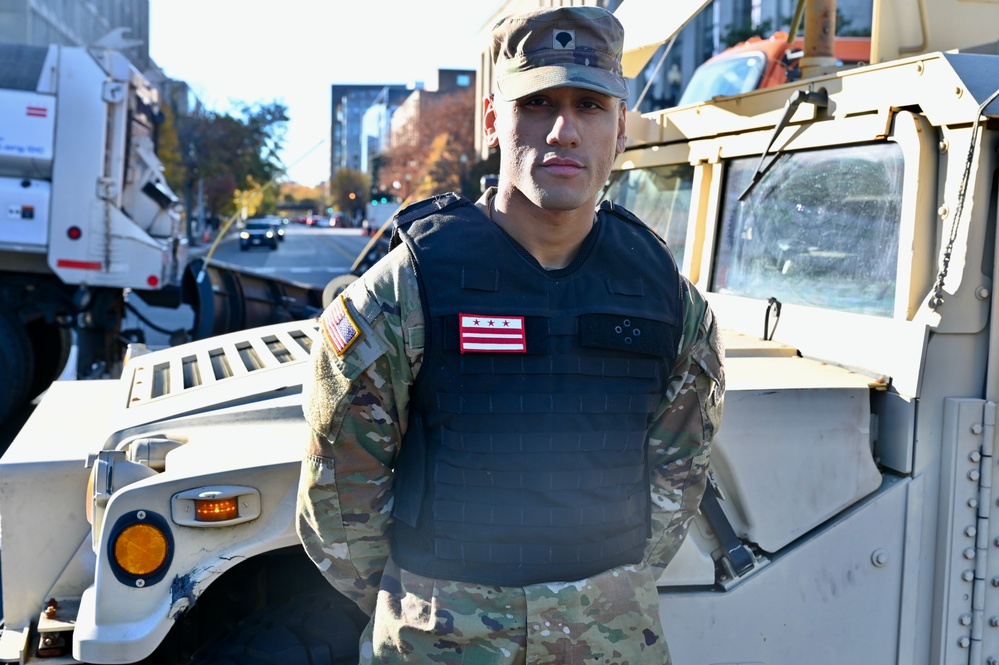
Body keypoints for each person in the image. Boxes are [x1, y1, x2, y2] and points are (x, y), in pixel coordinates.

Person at [297, 6, 725, 664]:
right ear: (493, 120)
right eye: (536, 104)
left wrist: (592, 598)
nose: (563, 131)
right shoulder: (402, 291)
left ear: (619, 127)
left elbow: (679, 476)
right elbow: (338, 501)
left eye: (588, 104)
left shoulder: (670, 301)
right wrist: (438, 604)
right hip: (440, 643)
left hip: (608, 641)